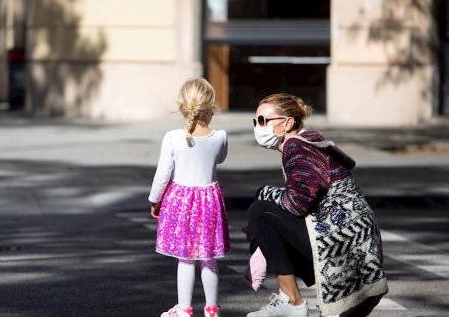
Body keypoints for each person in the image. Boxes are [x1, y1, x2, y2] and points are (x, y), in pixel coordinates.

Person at [245, 93, 388, 317]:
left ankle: (292, 303)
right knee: (268, 217)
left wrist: (263, 193)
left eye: (263, 120)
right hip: (356, 245)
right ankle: (291, 302)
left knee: (260, 210)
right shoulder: (307, 143)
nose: (258, 127)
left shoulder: (296, 147)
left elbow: (297, 204)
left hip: (342, 243)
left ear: (288, 123)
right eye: (256, 121)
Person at [149, 78, 230, 317]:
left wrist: (155, 200)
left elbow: (162, 175)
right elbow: (221, 159)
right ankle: (212, 309)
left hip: (181, 202)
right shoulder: (221, 137)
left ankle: (184, 309)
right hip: (209, 201)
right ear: (212, 107)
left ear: (183, 106)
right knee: (208, 256)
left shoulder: (173, 137)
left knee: (185, 258)